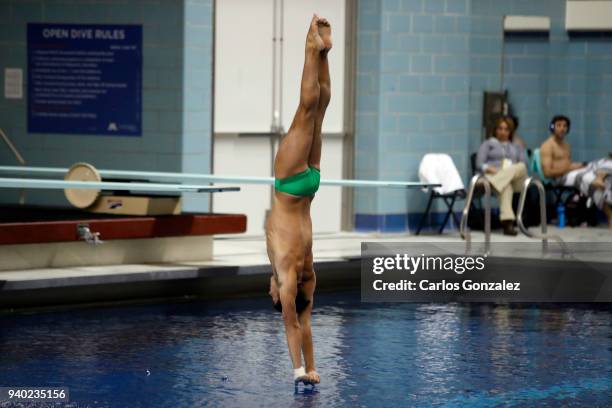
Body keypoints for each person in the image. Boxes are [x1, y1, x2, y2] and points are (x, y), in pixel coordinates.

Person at [265, 15, 331, 386]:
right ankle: (313, 49)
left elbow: (304, 323)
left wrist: (311, 368)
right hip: (290, 183)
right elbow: (291, 323)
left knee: (318, 114)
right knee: (307, 112)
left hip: (308, 187)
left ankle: (325, 54)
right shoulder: (286, 274)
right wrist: (298, 371)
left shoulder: (307, 278)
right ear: (274, 292)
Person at [541, 115, 612, 227]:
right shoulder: (547, 146)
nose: (562, 128)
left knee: (605, 162)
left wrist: (578, 166)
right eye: (559, 125)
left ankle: (600, 177)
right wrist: (572, 167)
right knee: (588, 179)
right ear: (552, 127)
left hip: (572, 173)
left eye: (565, 126)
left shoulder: (566, 146)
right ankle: (609, 215)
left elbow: (569, 165)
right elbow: (548, 173)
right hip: (559, 178)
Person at [476, 116, 528, 235]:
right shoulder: (488, 144)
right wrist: (491, 169)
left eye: (506, 129)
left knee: (521, 167)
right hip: (493, 174)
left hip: (512, 178)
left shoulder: (516, 146)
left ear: (510, 131)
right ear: (495, 130)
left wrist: (506, 172)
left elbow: (524, 163)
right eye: (500, 128)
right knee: (506, 186)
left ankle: (495, 183)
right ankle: (507, 224)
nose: (503, 132)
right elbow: (479, 164)